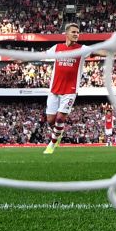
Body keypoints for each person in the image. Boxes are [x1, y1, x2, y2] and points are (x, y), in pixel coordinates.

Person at [43, 24, 83, 155]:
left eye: (78, 32)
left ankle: (52, 144)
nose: (76, 34)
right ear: (66, 34)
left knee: (60, 118)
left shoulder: (82, 49)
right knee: (50, 120)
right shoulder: (57, 48)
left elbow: (99, 51)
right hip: (54, 89)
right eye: (74, 32)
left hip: (70, 90)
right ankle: (58, 134)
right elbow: (42, 54)